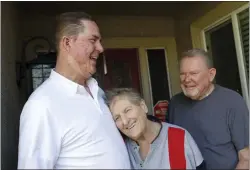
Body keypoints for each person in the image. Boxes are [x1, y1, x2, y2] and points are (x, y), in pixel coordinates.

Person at [18, 12, 130, 169]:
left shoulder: (98, 92)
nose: (100, 48)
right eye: (93, 40)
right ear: (67, 43)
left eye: (100, 41)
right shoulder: (42, 105)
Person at [167, 48, 249, 169]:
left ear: (211, 74)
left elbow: (246, 157)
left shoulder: (232, 101)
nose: (187, 79)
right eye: (183, 74)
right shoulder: (175, 104)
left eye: (193, 73)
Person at [105, 88, 206, 169]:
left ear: (143, 106)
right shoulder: (120, 149)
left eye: (127, 110)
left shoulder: (179, 137)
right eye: (117, 118)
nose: (125, 121)